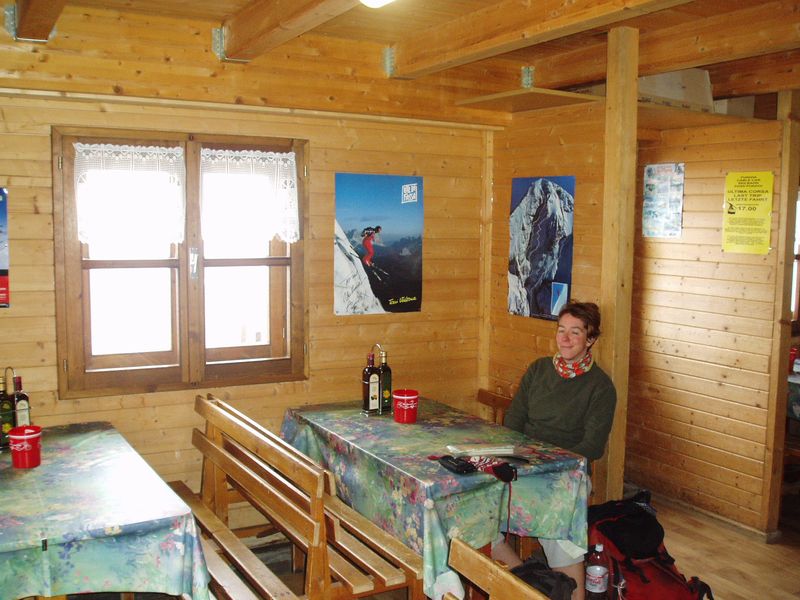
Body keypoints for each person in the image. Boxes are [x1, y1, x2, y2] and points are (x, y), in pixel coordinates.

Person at [492, 300, 617, 600]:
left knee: (560, 519)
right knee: (474, 501)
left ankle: (571, 592)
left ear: (591, 340)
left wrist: (546, 462)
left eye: (575, 332)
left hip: (567, 473)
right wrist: (522, 456)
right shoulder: (538, 370)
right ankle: (527, 585)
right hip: (523, 462)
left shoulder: (601, 388)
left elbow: (592, 447)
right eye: (562, 330)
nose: (565, 338)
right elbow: (514, 420)